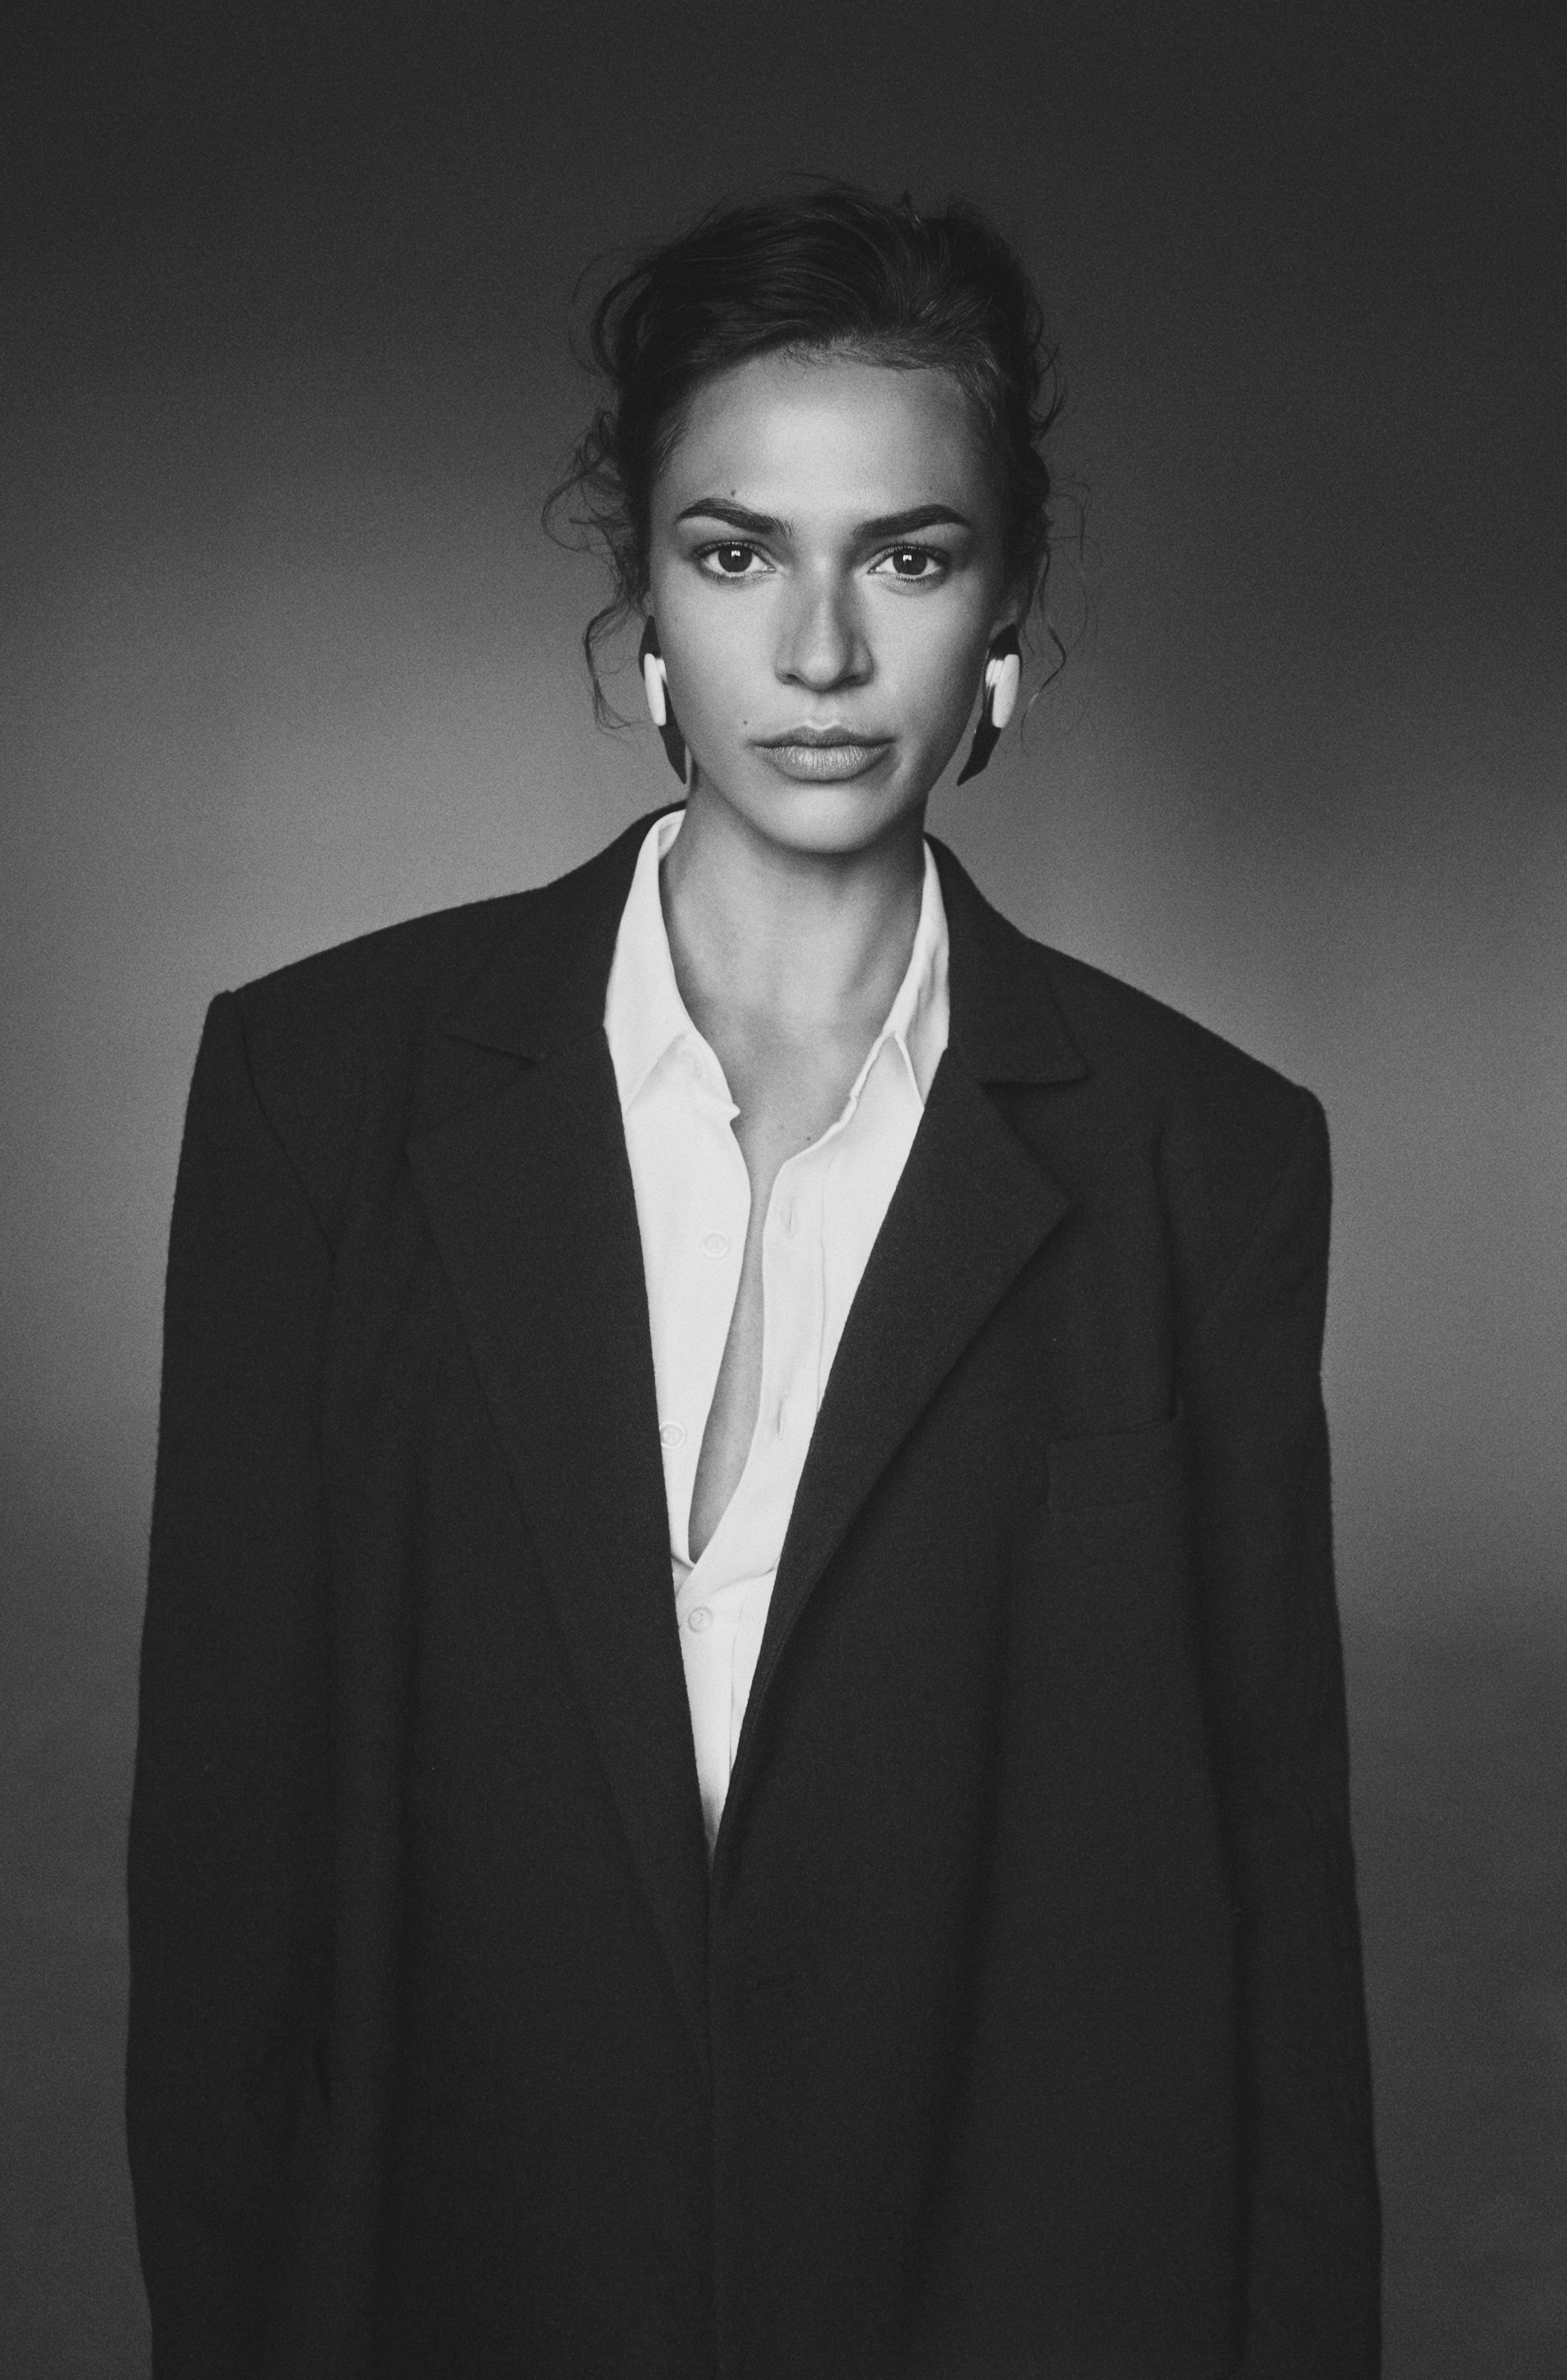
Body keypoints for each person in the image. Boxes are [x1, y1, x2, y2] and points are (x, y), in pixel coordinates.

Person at [126, 184, 1381, 2379]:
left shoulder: (1210, 1160)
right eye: (735, 553)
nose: (817, 653)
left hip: (1016, 2296)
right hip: (459, 2290)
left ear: (1007, 614)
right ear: (643, 607)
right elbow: (229, 1869)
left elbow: (1274, 1906)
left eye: (906, 557)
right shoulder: (317, 1093)